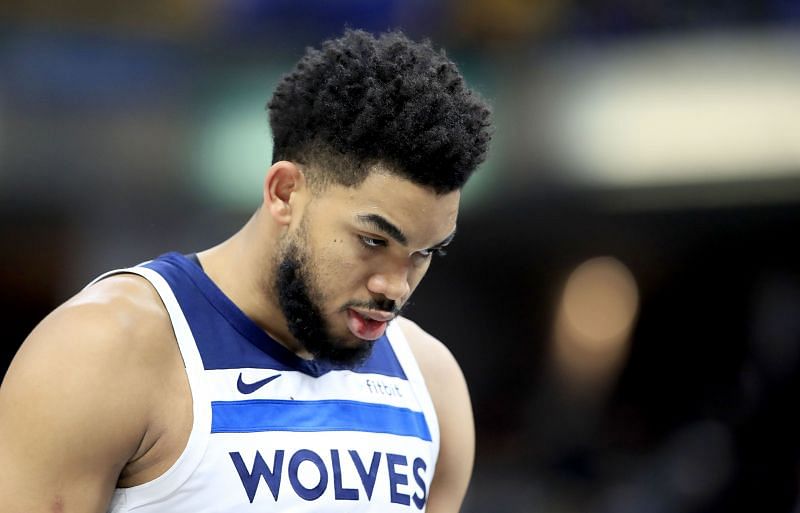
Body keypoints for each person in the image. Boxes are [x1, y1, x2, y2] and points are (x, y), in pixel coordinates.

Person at [0, 29, 491, 513]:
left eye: (425, 253)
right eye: (372, 241)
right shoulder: (103, 350)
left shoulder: (430, 382)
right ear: (284, 193)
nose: (395, 287)